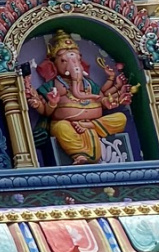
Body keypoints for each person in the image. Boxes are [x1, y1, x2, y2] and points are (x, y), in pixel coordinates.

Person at [24, 29, 134, 164]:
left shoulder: (88, 84)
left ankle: (88, 124)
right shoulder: (52, 86)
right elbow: (45, 112)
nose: (73, 65)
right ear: (52, 64)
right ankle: (80, 154)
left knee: (120, 118)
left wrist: (113, 97)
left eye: (77, 59)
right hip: (68, 125)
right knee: (60, 128)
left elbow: (102, 99)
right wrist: (50, 102)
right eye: (64, 61)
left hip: (93, 124)